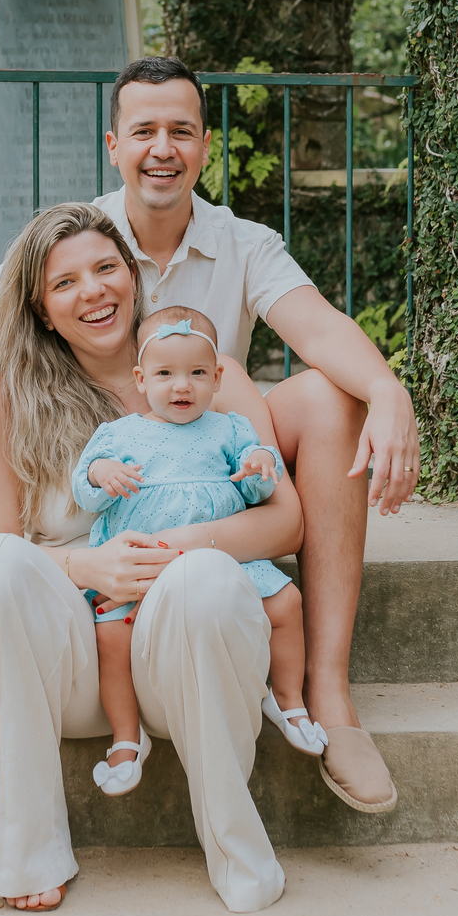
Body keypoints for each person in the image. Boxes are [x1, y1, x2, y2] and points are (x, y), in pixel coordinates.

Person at [0, 56, 419, 845]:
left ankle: (327, 688)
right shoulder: (79, 235)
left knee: (334, 394)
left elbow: (320, 326)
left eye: (181, 131)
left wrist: (389, 392)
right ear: (114, 144)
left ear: (203, 145)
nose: (162, 148)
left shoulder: (244, 242)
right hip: (121, 464)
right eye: (144, 131)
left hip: (221, 439)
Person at [0, 203, 303, 911]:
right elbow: (2, 545)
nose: (94, 291)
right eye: (65, 282)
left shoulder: (207, 369)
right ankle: (28, 851)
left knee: (205, 578)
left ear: (133, 279)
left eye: (106, 268)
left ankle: (238, 849)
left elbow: (285, 521)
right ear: (44, 311)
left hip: (185, 656)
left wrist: (188, 547)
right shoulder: (15, 395)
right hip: (75, 656)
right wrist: (85, 568)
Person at [73, 305, 328, 796]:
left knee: (287, 604)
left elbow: (256, 487)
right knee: (110, 639)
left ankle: (288, 698)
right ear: (141, 379)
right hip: (144, 563)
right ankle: (127, 737)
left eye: (195, 374)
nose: (181, 386)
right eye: (165, 374)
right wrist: (102, 475)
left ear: (216, 378)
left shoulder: (231, 428)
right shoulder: (118, 434)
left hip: (224, 563)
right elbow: (85, 490)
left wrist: (259, 463)